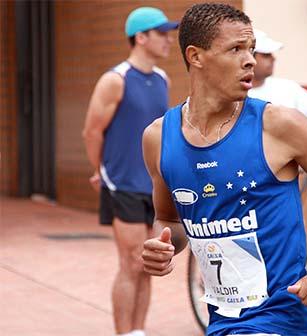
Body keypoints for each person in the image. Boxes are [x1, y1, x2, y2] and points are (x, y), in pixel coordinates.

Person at [141, 3, 307, 336]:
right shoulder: (158, 138)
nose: (250, 59)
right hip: (221, 321)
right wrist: (160, 246)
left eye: (250, 49)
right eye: (236, 49)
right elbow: (170, 221)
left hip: (283, 319)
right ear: (196, 56)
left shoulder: (279, 125)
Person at [81, 7, 178, 336]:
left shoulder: (163, 78)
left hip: (154, 186)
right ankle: (124, 332)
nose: (169, 39)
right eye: (161, 33)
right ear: (141, 37)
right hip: (122, 183)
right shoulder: (115, 79)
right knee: (131, 263)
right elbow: (92, 132)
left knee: (147, 264)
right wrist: (99, 172)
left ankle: (138, 330)